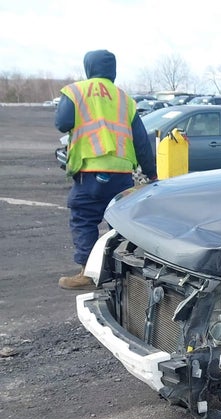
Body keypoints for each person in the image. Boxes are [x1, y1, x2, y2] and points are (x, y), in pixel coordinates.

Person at [55, 49, 157, 290]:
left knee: (84, 219)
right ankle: (121, 273)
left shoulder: (75, 91)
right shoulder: (125, 99)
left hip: (90, 172)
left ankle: (88, 272)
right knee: (119, 223)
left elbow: (62, 123)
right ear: (113, 71)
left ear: (88, 68)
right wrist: (152, 173)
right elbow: (141, 141)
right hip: (121, 175)